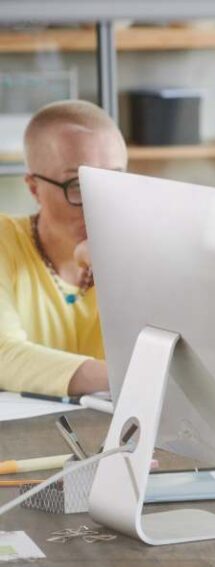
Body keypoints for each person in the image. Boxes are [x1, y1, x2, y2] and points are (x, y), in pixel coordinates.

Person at [0, 100, 127, 396]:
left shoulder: (146, 245)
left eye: (114, 180)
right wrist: (130, 377)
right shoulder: (5, 240)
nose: (100, 204)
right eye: (78, 186)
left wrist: (119, 264)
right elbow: (4, 355)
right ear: (34, 188)